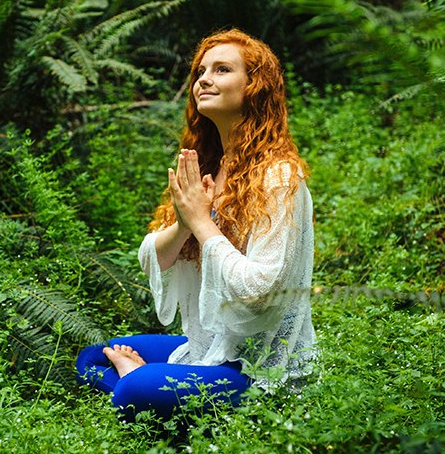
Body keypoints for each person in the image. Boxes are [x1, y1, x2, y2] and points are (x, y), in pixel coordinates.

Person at [75, 28, 317, 421]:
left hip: (260, 370)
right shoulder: (207, 165)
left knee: (138, 387)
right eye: (201, 71)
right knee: (94, 357)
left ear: (255, 87)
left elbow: (260, 291)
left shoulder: (279, 176)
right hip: (210, 346)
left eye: (222, 70)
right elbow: (152, 256)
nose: (204, 79)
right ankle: (147, 384)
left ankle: (140, 385)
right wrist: (186, 222)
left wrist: (202, 223)